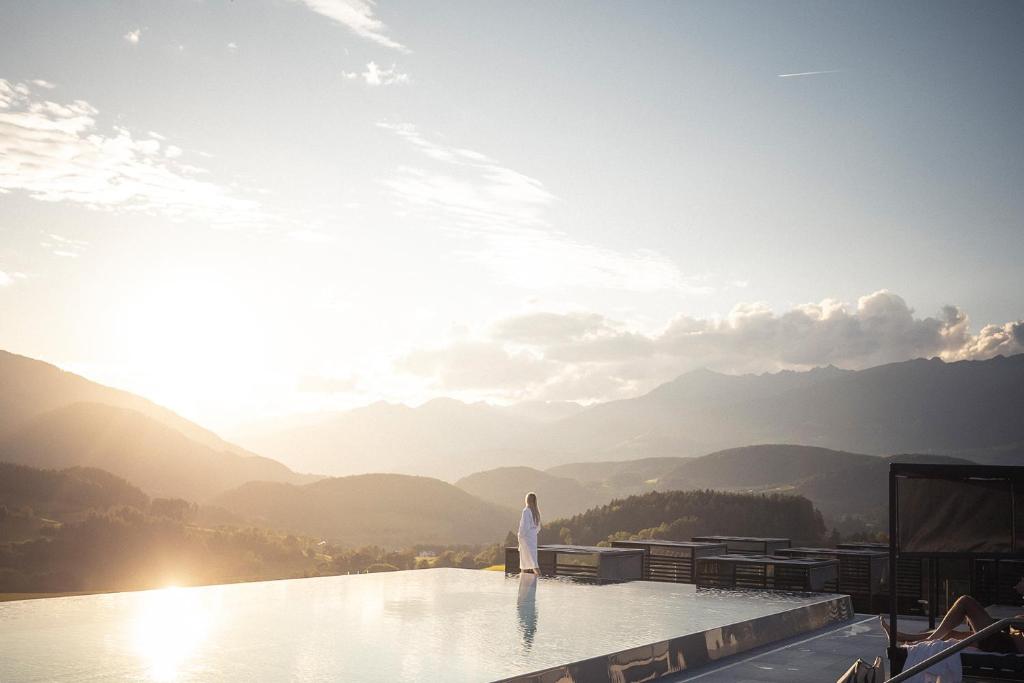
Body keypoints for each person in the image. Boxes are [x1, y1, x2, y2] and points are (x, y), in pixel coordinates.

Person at [880, 578, 1024, 654]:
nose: (1019, 582)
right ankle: (902, 637)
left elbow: (1018, 624)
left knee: (965, 602)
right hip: (1006, 639)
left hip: (1006, 644)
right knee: (951, 634)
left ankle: (929, 640)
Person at [518, 492, 541, 575]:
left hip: (526, 539)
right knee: (534, 562)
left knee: (524, 563)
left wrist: (520, 535)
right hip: (533, 539)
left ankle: (524, 585)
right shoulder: (536, 512)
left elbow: (525, 526)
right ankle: (534, 583)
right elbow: (538, 527)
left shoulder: (526, 511)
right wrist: (533, 533)